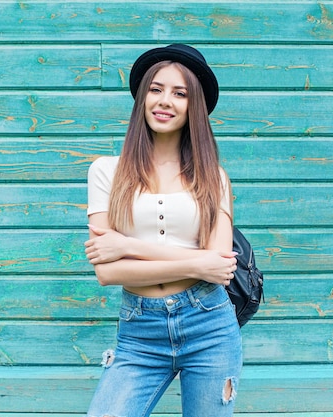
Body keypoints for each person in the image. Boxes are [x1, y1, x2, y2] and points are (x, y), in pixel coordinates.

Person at [84, 44, 242, 417]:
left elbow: (219, 267)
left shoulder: (214, 178)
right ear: (142, 98)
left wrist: (125, 244)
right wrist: (197, 263)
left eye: (179, 92)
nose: (164, 100)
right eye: (156, 89)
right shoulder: (106, 171)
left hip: (210, 327)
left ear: (193, 106)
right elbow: (109, 272)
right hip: (140, 333)